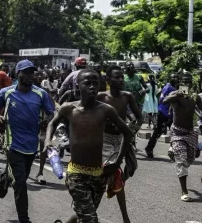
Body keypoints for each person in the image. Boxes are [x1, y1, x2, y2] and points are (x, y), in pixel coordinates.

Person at [45, 68, 133, 223]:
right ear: (78, 85)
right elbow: (52, 123)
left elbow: (127, 133)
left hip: (99, 174)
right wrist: (48, 140)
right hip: (76, 173)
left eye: (95, 83)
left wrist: (117, 163)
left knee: (84, 212)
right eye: (87, 83)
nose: (92, 87)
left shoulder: (106, 110)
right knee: (90, 218)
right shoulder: (69, 108)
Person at [0, 60, 55, 223]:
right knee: (20, 183)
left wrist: (47, 120)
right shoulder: (6, 92)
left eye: (31, 73)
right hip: (12, 143)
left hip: (31, 144)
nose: (29, 76)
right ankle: (24, 218)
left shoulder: (41, 94)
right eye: (25, 72)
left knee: (21, 179)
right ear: (17, 74)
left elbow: (51, 112)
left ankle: (4, 176)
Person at [96, 65, 142, 223]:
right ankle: (125, 218)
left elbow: (139, 117)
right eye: (117, 77)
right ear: (108, 80)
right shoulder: (101, 96)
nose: (121, 80)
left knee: (129, 168)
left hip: (122, 138)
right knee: (114, 171)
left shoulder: (128, 96)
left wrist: (131, 130)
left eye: (122, 77)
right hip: (106, 139)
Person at [164, 72, 201, 202]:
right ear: (180, 82)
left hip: (190, 133)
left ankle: (173, 150)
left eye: (189, 81)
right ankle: (184, 191)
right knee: (181, 162)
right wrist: (177, 94)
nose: (186, 84)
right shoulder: (175, 95)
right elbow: (164, 101)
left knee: (189, 160)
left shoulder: (195, 96)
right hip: (177, 133)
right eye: (184, 82)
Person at [145, 74, 179, 158]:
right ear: (170, 78)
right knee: (158, 132)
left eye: (176, 77)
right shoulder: (168, 87)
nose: (175, 78)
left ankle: (172, 150)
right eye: (173, 77)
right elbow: (162, 100)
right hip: (163, 113)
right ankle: (149, 148)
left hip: (171, 114)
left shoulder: (178, 87)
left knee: (176, 132)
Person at [33, 70, 54, 185]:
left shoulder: (44, 91)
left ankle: (40, 172)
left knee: (43, 144)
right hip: (26, 124)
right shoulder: (22, 89)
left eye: (41, 74)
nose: (39, 76)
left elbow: (50, 108)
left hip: (41, 122)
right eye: (37, 75)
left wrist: (47, 120)